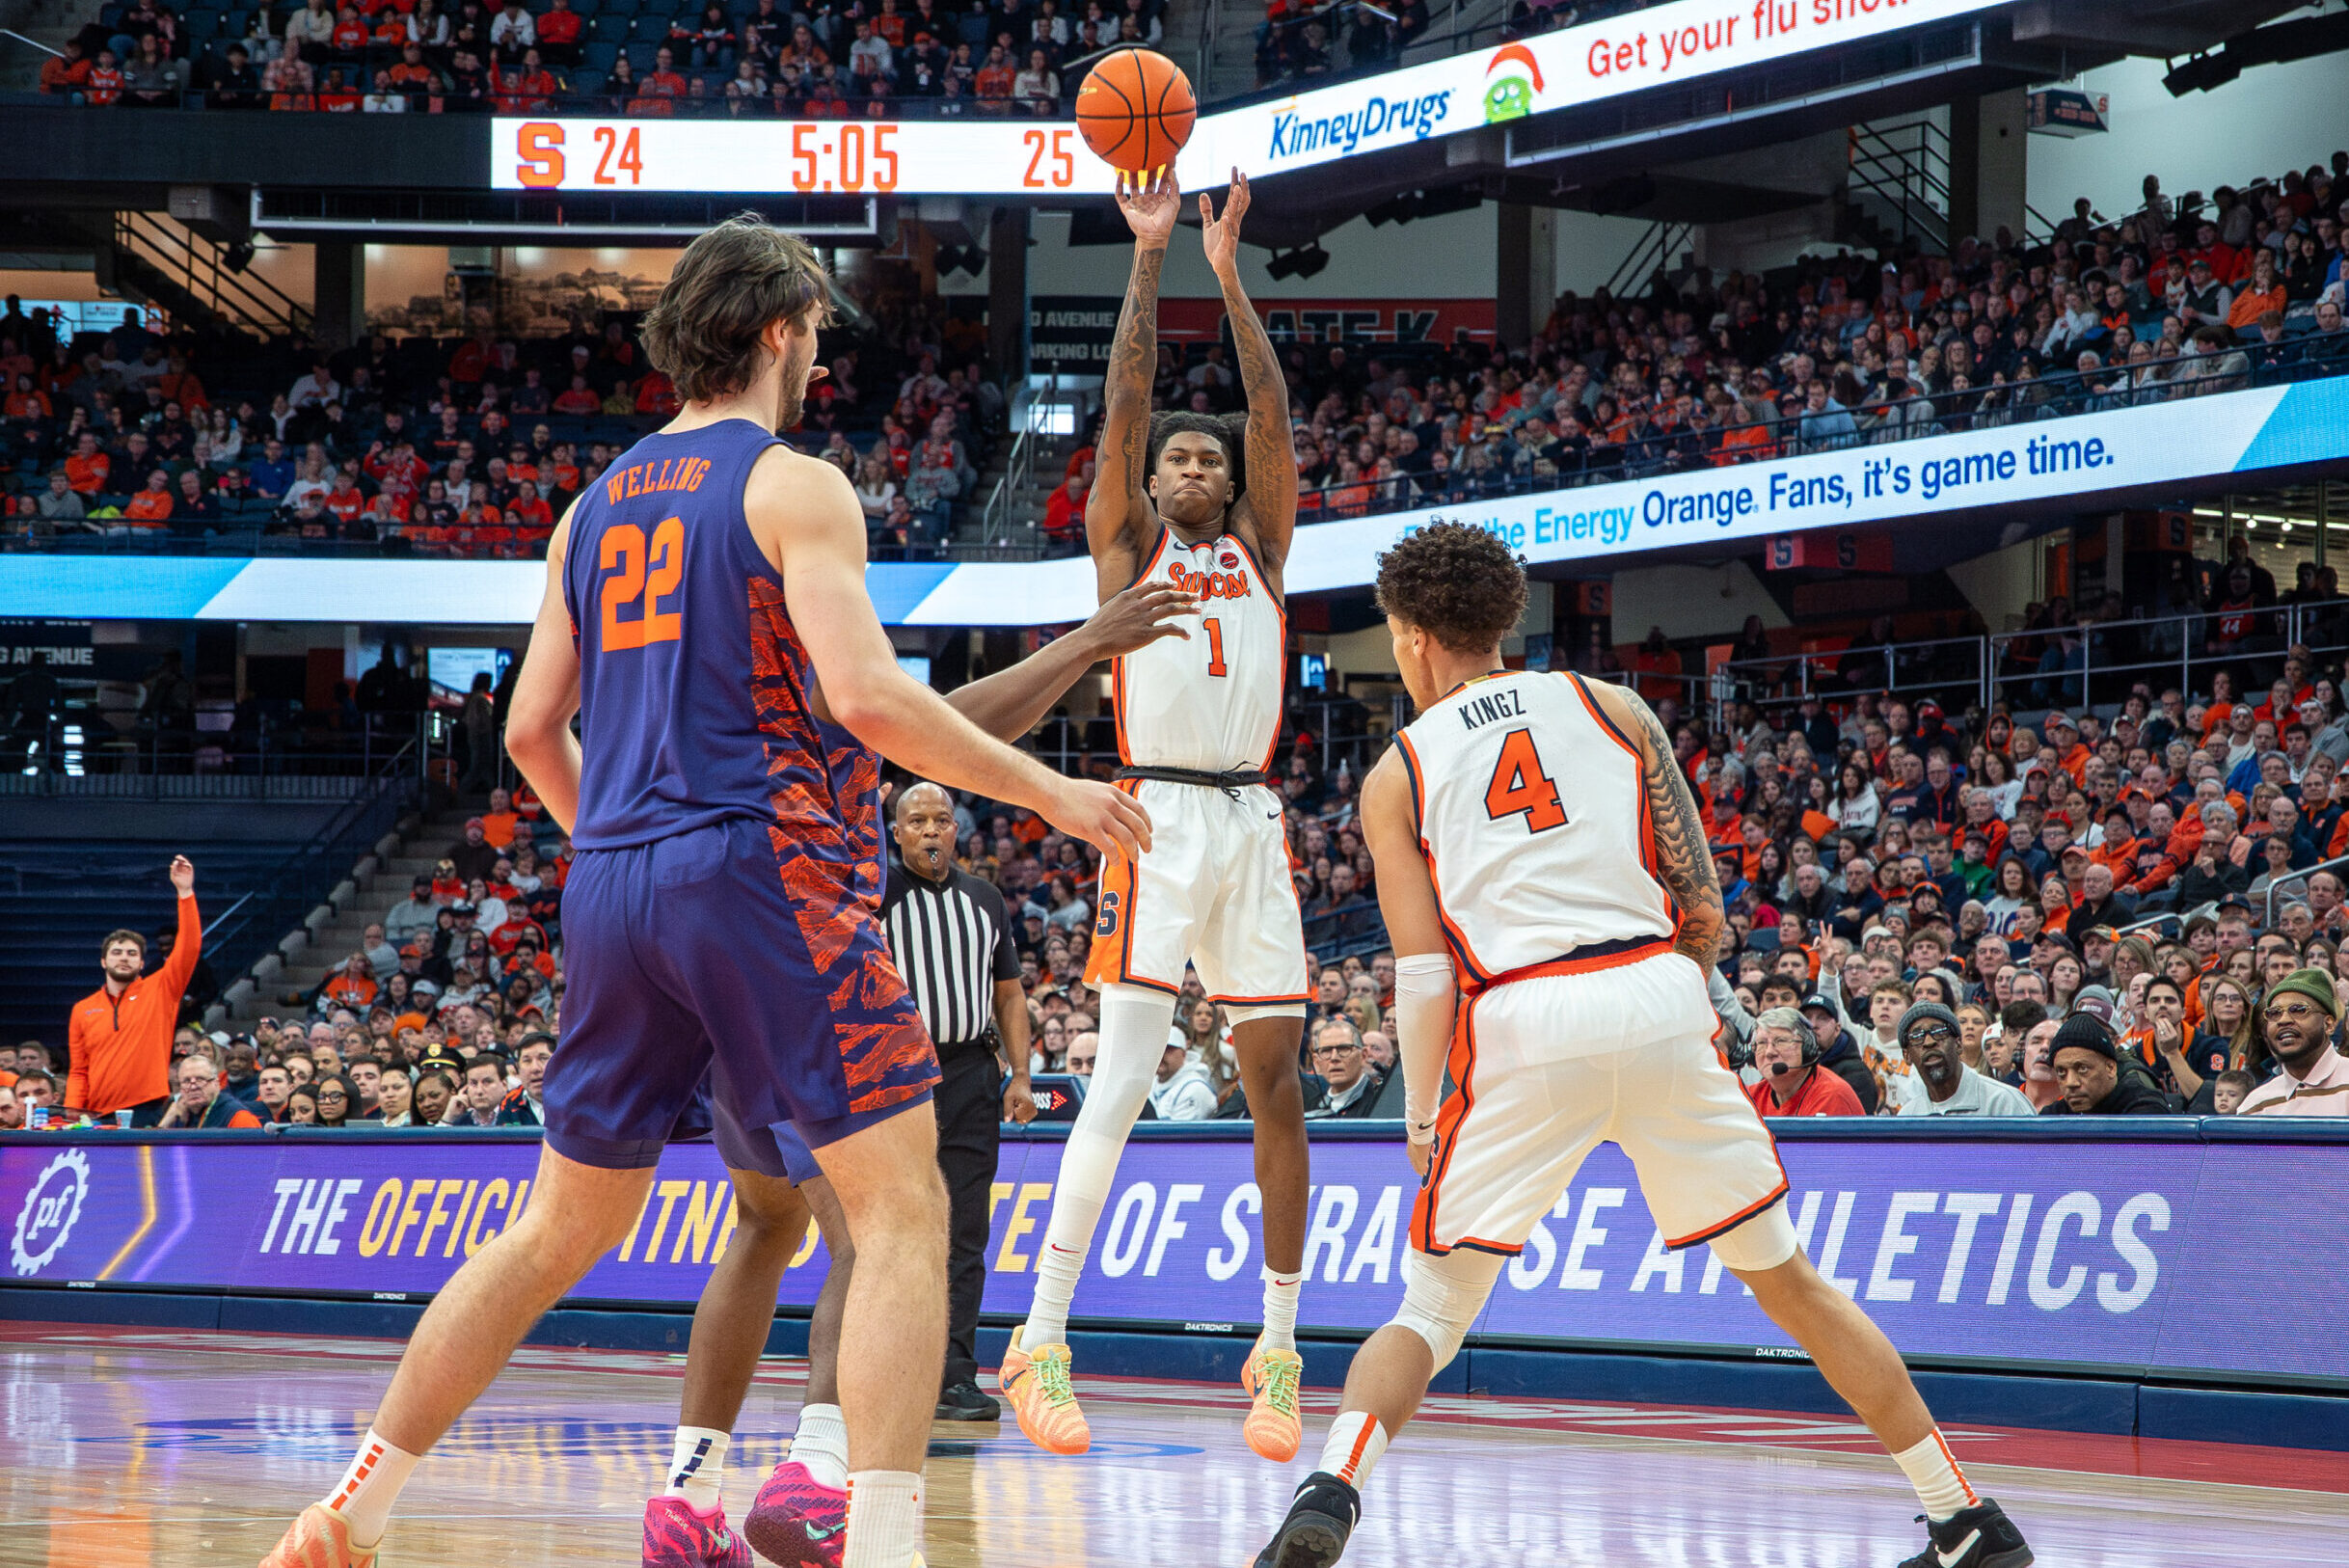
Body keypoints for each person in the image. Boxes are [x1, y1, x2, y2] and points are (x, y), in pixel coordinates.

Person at [259, 215, 1149, 1568]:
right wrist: (1053, 792)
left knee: (557, 1226)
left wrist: (624, 847)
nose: (817, 365)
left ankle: (354, 1507)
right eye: (815, 339)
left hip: (612, 876)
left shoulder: (589, 505)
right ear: (783, 328)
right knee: (907, 1208)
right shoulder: (796, 485)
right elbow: (866, 697)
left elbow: (527, 733)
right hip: (761, 867)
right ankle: (895, 1547)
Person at [1252, 523, 2032, 1568]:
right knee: (1788, 1280)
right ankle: (1963, 1517)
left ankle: (1331, 1491)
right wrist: (1665, 1000)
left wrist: (1422, 1110)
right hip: (1658, 990)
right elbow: (1701, 895)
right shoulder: (1611, 706)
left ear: (1410, 636)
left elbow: (1428, 969)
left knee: (1435, 1303)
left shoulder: (1397, 770)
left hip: (1525, 1011)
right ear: (1504, 622)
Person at [641, 581, 1196, 1566]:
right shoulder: (817, 682)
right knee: (883, 1224)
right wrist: (1085, 645)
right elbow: (947, 725)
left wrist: (1078, 649)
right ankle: (817, 1468)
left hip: (708, 964)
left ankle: (687, 1494)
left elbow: (947, 728)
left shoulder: (710, 695)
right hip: (804, 972)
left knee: (769, 1226)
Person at [1012, 168, 1311, 1465]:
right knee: (1122, 1086)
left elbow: (1271, 410)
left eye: (1208, 455)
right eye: (1175, 456)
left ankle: (1282, 1340)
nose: (1194, 462)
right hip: (1153, 821)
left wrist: (1228, 269)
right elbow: (1128, 398)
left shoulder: (1264, 538)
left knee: (1279, 1087)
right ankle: (1041, 1336)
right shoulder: (1128, 545)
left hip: (1252, 826)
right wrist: (1148, 259)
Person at [66, 855, 200, 1125]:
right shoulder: (82, 1009)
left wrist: (185, 893)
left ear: (141, 963)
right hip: (96, 1115)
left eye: (131, 953)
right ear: (104, 961)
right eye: (116, 953)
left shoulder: (162, 989)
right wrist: (72, 1109)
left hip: (147, 1109)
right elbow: (79, 1070)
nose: (123, 958)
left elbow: (189, 947)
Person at [2237, 968, 2349, 1115]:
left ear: (2329, 1024)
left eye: (2298, 1010)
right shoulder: (2256, 1105)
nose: (2283, 1020)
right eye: (2274, 1013)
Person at [1893, 1002, 2035, 1117]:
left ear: (1958, 1044)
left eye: (1939, 1031)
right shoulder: (1909, 1115)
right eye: (1917, 1036)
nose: (1929, 1042)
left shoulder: (2003, 1102)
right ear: (1907, 1056)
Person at [2041, 1014, 2172, 1116]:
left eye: (2082, 1069)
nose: (2071, 1083)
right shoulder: (2053, 1116)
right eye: (2061, 1072)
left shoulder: (2146, 1111)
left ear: (2111, 1068)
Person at [1744, 1007, 1865, 1116]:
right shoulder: (1749, 1096)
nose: (1769, 1052)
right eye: (1761, 1043)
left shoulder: (1832, 1095)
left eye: (1781, 1041)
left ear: (1807, 1048)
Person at [155, 1054, 264, 1128]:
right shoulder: (177, 1115)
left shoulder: (237, 1116)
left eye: (200, 1079)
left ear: (216, 1083)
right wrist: (166, 1123)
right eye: (186, 1081)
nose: (193, 1087)